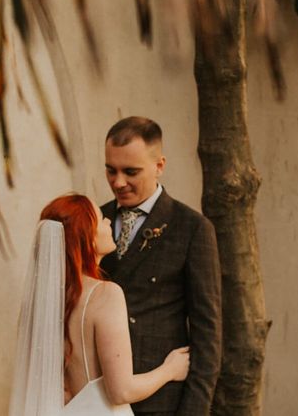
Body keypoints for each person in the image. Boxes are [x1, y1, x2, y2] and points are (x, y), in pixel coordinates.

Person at [9, 194, 190, 416]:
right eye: (101, 219)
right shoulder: (105, 294)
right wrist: (170, 370)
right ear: (89, 238)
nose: (108, 223)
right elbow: (121, 392)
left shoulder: (46, 302)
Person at [100, 116, 222, 416]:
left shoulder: (192, 228)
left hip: (161, 405)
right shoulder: (95, 222)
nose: (118, 182)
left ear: (159, 165)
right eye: (110, 170)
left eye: (131, 171)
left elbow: (208, 335)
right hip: (99, 398)